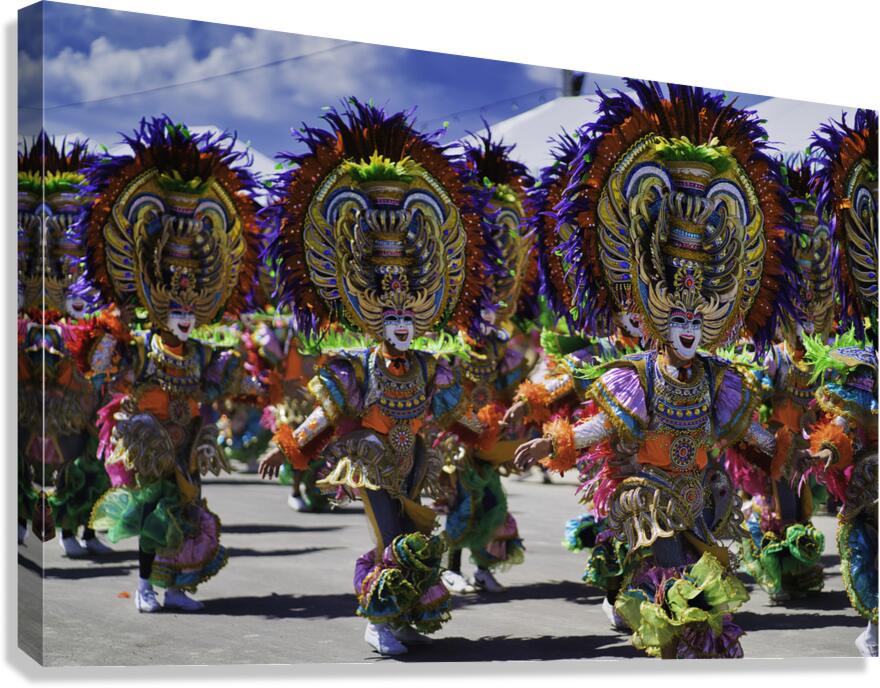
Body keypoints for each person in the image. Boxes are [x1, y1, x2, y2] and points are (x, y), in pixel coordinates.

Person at [514, 80, 802, 658]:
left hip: (702, 499)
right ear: (653, 311)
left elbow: (750, 432)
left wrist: (794, 448)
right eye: (677, 312)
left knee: (700, 599)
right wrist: (556, 442)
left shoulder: (719, 379)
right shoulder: (635, 373)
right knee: (678, 600)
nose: (690, 323)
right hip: (649, 497)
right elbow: (614, 426)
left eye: (701, 313)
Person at [257, 100, 493, 655]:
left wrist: (496, 435)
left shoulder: (431, 367)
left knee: (415, 541)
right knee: (391, 541)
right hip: (371, 462)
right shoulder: (356, 365)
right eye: (392, 316)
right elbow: (328, 413)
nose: (404, 324)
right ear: (371, 313)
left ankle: (401, 614)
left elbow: (463, 415)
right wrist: (286, 443)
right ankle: (377, 621)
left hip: (414, 463)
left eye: (411, 315)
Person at [82, 117, 266, 613]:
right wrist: (115, 330)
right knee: (151, 515)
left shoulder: (202, 351)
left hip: (187, 441)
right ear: (158, 304)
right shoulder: (142, 344)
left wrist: (253, 383)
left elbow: (235, 381)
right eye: (175, 308)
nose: (184, 318)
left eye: (191, 309)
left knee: (187, 510)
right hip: (148, 443)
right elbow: (99, 368)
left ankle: (177, 587)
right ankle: (145, 587)